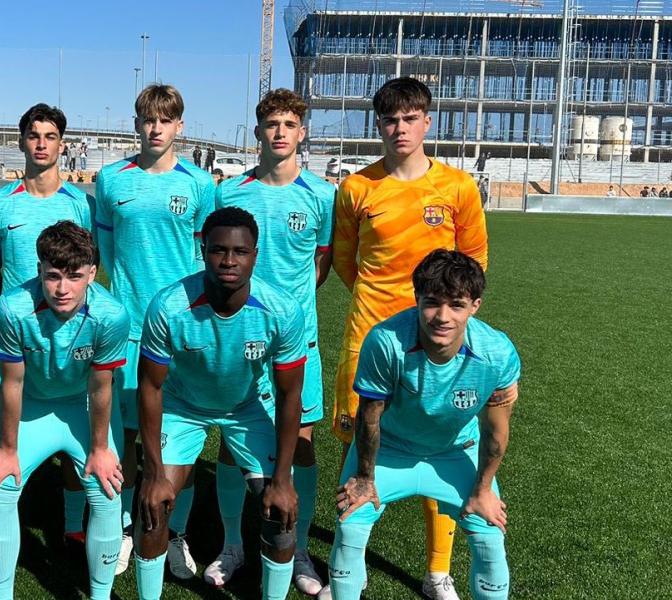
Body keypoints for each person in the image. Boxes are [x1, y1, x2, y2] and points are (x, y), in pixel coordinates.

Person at [330, 76, 488, 600]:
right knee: (358, 444)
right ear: (379, 124)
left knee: (438, 441)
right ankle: (348, 560)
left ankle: (437, 570)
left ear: (427, 121)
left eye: (410, 118)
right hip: (370, 337)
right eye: (390, 119)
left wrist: (432, 315)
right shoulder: (356, 189)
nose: (400, 128)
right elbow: (348, 264)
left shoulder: (458, 188)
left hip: (439, 344)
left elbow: (473, 264)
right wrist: (388, 317)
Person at [134, 206, 307, 599]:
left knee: (280, 514)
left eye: (240, 252)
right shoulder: (168, 307)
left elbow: (289, 394)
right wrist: (152, 472)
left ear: (255, 255)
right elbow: (150, 388)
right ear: (203, 249)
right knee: (153, 509)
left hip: (246, 409)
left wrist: (281, 479)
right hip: (182, 408)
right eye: (218, 250)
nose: (229, 260)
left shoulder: (281, 310)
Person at [330, 249, 518, 600]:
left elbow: (496, 431)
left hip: (455, 451)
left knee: (490, 535)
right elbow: (369, 417)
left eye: (457, 305)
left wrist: (483, 490)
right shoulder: (386, 341)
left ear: (475, 305)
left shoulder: (497, 352)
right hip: (390, 450)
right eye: (432, 303)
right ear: (417, 298)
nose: (442, 317)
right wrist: (365, 479)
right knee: (350, 527)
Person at [212, 88, 335, 593]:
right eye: (271, 124)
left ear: (301, 133)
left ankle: (299, 545)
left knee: (300, 446)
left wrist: (290, 309)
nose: (280, 132)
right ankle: (231, 543)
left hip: (297, 339)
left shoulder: (322, 195)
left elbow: (320, 264)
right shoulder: (231, 193)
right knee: (230, 443)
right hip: (237, 338)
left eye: (289, 124)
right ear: (259, 130)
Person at [93, 83, 216, 579]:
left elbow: (210, 258)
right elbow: (102, 253)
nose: (155, 128)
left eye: (165, 120)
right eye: (147, 119)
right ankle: (127, 528)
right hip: (126, 327)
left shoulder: (201, 185)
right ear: (136, 123)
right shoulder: (109, 180)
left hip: (182, 328)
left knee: (177, 438)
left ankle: (176, 533)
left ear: (180, 126)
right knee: (125, 437)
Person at [0, 221, 128, 600]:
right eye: (53, 276)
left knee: (107, 489)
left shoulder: (111, 315)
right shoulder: (13, 308)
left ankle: (99, 595)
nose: (62, 289)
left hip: (82, 405)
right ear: (39, 271)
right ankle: (2, 595)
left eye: (75, 276)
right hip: (30, 404)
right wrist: (8, 450)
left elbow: (101, 387)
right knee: (0, 487)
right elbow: (11, 383)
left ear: (93, 273)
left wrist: (99, 450)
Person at [0, 104, 94, 544]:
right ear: (21, 140)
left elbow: (87, 267)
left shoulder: (80, 204)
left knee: (71, 426)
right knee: (6, 424)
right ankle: (4, 517)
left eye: (50, 136)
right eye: (33, 135)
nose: (41, 144)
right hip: (19, 337)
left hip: (72, 335)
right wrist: (18, 310)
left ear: (62, 144)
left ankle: (70, 525)